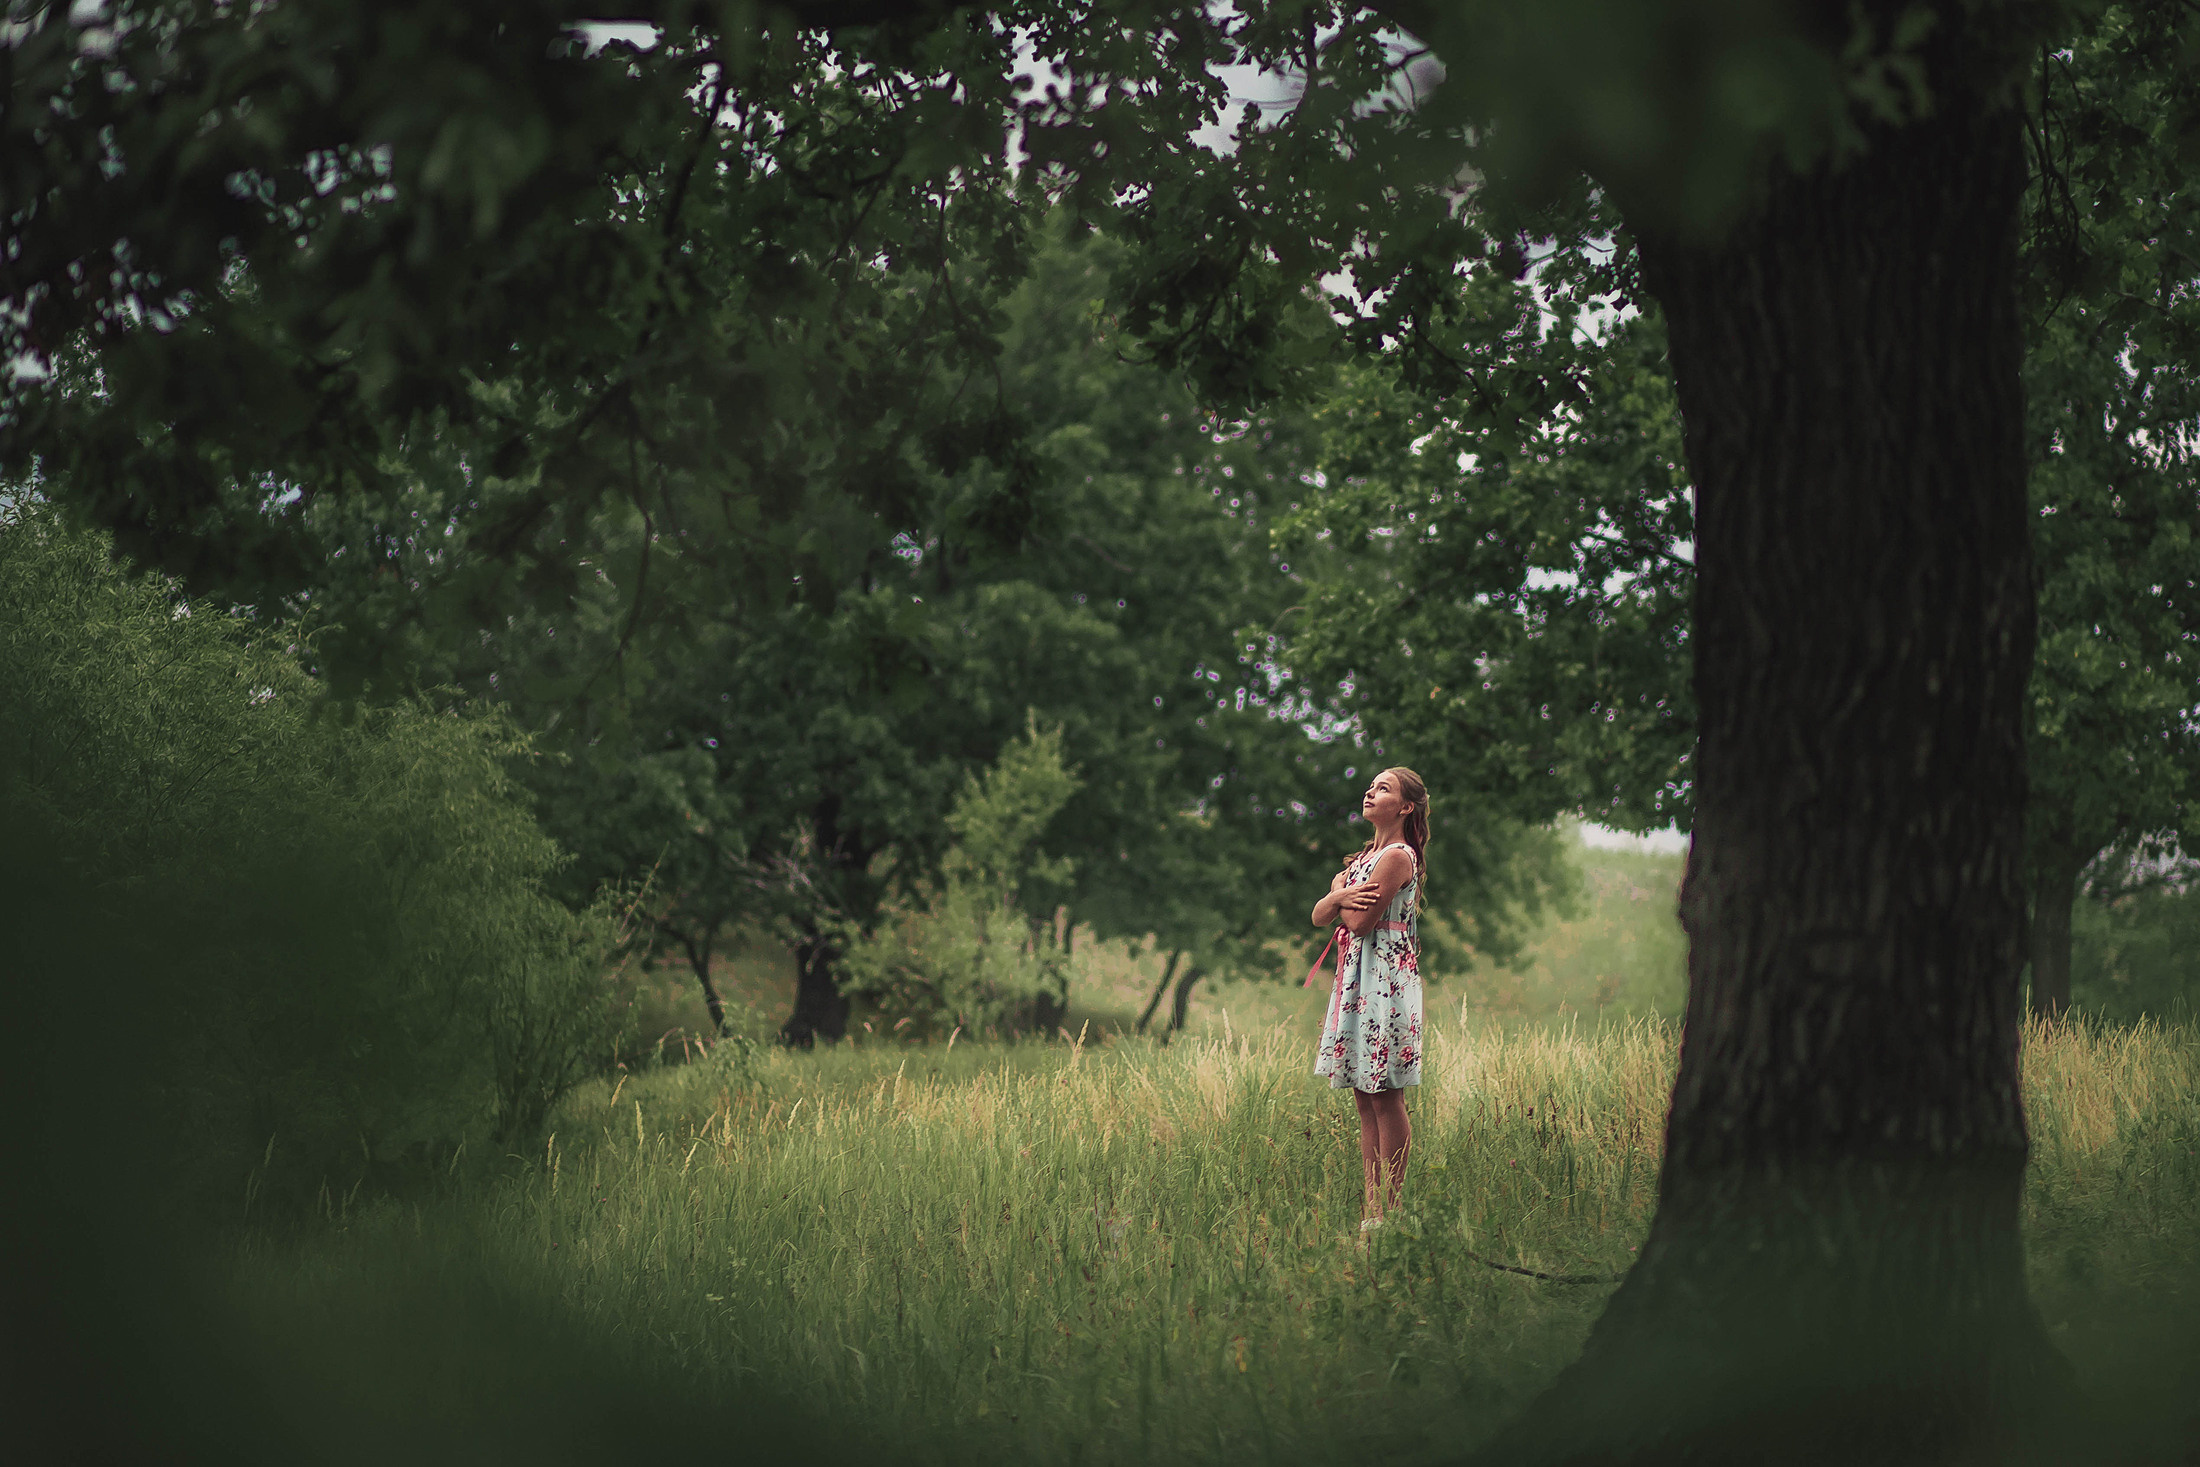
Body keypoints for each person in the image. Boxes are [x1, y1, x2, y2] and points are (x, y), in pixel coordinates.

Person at [1309, 766, 1428, 1231]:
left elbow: (1358, 924)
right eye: (1371, 786)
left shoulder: (1398, 856)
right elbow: (1320, 915)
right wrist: (1339, 896)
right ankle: (1371, 1207)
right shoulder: (1360, 860)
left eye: (1383, 788)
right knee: (1363, 1095)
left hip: (1385, 979)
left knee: (1385, 1095)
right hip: (1357, 977)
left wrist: (1341, 895)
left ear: (1404, 807)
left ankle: (1389, 1209)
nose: (1369, 791)